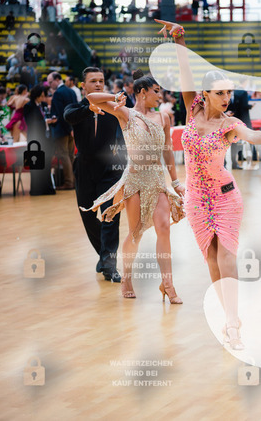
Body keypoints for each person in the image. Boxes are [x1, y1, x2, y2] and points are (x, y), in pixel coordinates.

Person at [155, 19, 261, 349]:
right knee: (211, 257)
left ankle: (232, 322)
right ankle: (228, 313)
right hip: (196, 199)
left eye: (229, 92)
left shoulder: (230, 124)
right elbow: (185, 73)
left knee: (226, 255)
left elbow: (250, 134)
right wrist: (179, 39)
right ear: (206, 94)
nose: (227, 97)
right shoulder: (192, 110)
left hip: (225, 197)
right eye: (220, 93)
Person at [82, 69, 186, 302]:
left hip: (157, 179)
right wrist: (115, 97)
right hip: (135, 179)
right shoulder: (125, 113)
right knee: (136, 232)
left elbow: (167, 151)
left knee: (164, 228)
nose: (160, 96)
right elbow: (91, 98)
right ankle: (127, 277)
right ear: (142, 92)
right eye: (156, 91)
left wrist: (176, 182)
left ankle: (168, 284)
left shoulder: (163, 117)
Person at [64, 67, 127, 282]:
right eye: (93, 81)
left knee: (110, 215)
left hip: (110, 169)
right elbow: (69, 116)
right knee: (88, 215)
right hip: (84, 168)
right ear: (83, 86)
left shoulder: (114, 108)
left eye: (101, 80)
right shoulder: (76, 108)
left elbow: (126, 130)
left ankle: (109, 265)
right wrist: (88, 109)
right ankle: (104, 255)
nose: (98, 84)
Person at [24, 85, 56, 195]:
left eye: (44, 96)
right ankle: (36, 189)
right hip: (35, 139)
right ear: (36, 95)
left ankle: (47, 188)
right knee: (36, 164)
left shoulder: (43, 105)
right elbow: (30, 123)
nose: (43, 98)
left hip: (46, 138)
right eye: (41, 96)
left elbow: (46, 116)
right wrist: (46, 122)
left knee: (47, 163)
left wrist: (52, 120)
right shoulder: (28, 106)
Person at [48, 72, 77, 190]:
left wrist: (68, 129)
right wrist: (72, 128)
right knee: (71, 155)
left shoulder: (58, 93)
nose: (50, 85)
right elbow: (75, 111)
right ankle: (74, 181)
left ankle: (69, 182)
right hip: (71, 128)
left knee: (64, 155)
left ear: (57, 79)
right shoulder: (71, 91)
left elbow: (61, 114)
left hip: (62, 129)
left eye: (51, 82)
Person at [227, 78, 253, 169]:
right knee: (229, 144)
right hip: (228, 123)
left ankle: (235, 162)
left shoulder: (238, 94)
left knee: (236, 143)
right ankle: (227, 163)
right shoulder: (226, 96)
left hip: (238, 122)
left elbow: (240, 108)